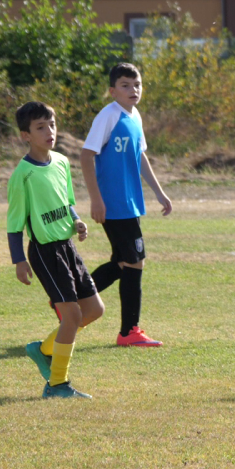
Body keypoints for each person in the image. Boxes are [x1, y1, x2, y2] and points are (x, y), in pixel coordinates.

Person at [8, 102, 105, 399]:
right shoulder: (22, 175)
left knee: (94, 310)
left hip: (67, 247)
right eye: (41, 127)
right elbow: (14, 223)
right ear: (26, 135)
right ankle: (57, 385)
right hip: (45, 252)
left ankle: (43, 350)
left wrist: (76, 221)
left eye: (52, 124)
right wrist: (19, 261)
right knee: (72, 316)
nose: (49, 131)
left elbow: (67, 201)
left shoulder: (62, 162)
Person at [80, 62, 172, 347]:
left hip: (131, 202)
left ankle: (69, 299)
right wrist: (96, 199)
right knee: (135, 261)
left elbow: (140, 156)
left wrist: (159, 192)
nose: (133, 90)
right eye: (125, 85)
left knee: (122, 263)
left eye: (137, 85)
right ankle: (129, 331)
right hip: (113, 203)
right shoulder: (108, 116)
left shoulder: (135, 116)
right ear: (112, 90)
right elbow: (86, 155)